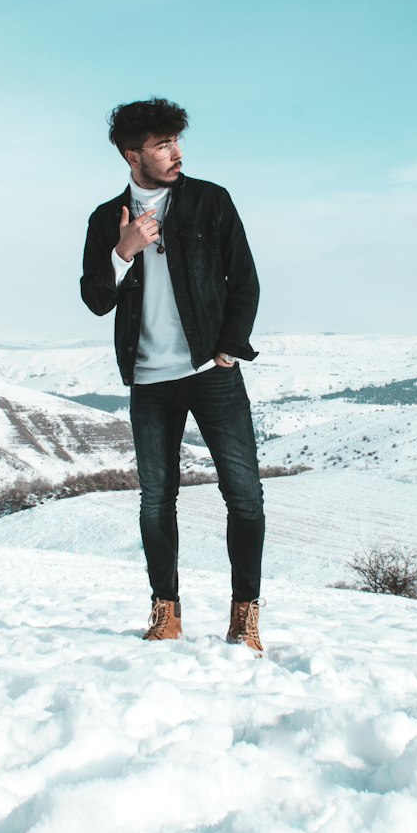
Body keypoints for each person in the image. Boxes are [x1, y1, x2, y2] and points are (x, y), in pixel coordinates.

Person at [80, 97, 266, 653]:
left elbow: (246, 280)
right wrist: (124, 250)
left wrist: (228, 348)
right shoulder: (104, 219)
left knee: (246, 496)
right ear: (132, 154)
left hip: (211, 373)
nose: (175, 152)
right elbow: (95, 299)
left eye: (176, 141)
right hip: (149, 381)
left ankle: (245, 615)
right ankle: (166, 612)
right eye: (162, 145)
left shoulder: (211, 201)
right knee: (157, 500)